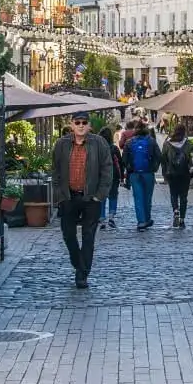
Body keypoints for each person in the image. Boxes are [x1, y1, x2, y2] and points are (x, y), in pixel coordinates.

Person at [51, 110, 113, 288]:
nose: (80, 126)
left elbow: (107, 169)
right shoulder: (62, 144)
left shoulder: (99, 143)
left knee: (88, 236)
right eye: (77, 123)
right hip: (68, 196)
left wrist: (100, 195)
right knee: (68, 234)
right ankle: (77, 260)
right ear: (71, 125)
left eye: (84, 123)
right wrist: (59, 194)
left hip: (90, 198)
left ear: (89, 125)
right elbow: (55, 169)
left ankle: (82, 274)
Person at [125, 120, 159, 230]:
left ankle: (141, 221)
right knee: (148, 197)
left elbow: (124, 159)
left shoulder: (129, 142)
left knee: (138, 197)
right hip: (148, 173)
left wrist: (129, 168)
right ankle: (147, 219)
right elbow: (159, 156)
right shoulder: (151, 141)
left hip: (134, 173)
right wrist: (154, 167)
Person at [161, 124, 193, 228]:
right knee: (183, 197)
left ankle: (175, 210)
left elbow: (163, 159)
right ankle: (182, 219)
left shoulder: (167, 144)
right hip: (185, 173)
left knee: (173, 194)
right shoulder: (188, 144)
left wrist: (164, 174)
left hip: (171, 173)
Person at [98, 127, 123, 229]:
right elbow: (120, 163)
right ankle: (111, 217)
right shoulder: (114, 148)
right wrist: (122, 177)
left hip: (100, 176)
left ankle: (102, 218)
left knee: (101, 197)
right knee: (113, 195)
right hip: (113, 175)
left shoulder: (97, 148)